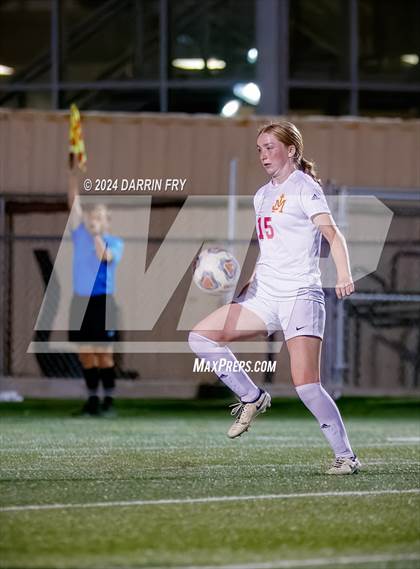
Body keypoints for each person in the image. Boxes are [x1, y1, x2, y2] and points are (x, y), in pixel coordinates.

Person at [189, 121, 360, 475]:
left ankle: (346, 456)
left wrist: (344, 274)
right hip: (265, 294)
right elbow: (269, 250)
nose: (264, 155)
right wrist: (247, 286)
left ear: (291, 150)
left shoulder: (305, 187)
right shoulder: (261, 196)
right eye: (260, 149)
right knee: (200, 338)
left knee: (307, 386)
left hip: (300, 294)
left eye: (270, 147)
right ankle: (252, 397)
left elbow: (333, 234)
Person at [67, 170, 124, 416]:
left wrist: (96, 235)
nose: (94, 220)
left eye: (99, 217)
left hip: (103, 302)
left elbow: (104, 257)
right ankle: (92, 402)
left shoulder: (114, 242)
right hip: (81, 302)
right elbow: (73, 202)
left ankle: (108, 402)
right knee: (86, 355)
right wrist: (73, 174)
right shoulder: (80, 235)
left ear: (106, 221)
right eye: (91, 216)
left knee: (104, 355)